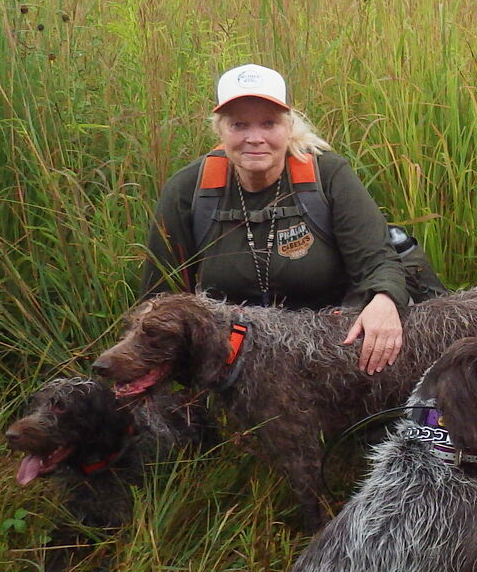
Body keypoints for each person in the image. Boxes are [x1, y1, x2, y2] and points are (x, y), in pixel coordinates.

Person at [141, 64, 410, 374]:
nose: (255, 138)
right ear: (219, 130)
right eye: (239, 125)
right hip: (229, 363)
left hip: (330, 350)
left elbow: (378, 261)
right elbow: (160, 297)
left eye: (269, 123)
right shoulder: (189, 190)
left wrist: (384, 300)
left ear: (288, 126)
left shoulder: (328, 175)